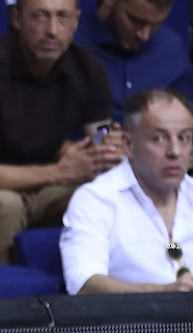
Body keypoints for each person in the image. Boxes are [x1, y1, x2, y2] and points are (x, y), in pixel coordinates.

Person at [0, 0, 124, 264]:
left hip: (52, 188)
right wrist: (58, 172)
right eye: (40, 16)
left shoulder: (89, 69)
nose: (52, 30)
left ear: (76, 21)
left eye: (63, 17)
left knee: (107, 195)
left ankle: (96, 288)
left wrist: (113, 151)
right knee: (8, 206)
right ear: (18, 19)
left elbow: (100, 147)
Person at [61, 89, 193, 294]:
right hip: (131, 324)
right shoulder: (96, 199)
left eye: (184, 138)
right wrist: (164, 294)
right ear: (128, 144)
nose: (175, 151)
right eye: (159, 138)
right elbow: (84, 284)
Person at [74, 0, 193, 120]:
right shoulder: (68, 41)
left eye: (155, 24)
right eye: (135, 20)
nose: (144, 35)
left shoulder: (171, 47)